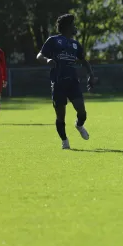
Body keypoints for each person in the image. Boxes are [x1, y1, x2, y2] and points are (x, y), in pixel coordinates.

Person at [36, 14, 96, 149]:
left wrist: (91, 75)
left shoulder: (76, 44)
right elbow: (39, 55)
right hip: (58, 82)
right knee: (60, 116)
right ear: (67, 27)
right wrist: (47, 60)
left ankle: (79, 125)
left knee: (82, 111)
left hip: (73, 82)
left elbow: (83, 61)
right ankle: (64, 141)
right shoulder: (53, 40)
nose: (75, 27)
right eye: (73, 25)